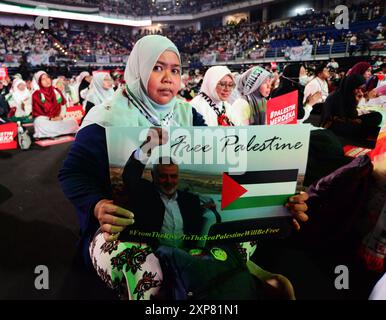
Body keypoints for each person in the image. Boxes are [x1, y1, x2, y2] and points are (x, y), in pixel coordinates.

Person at [59, 35, 309, 299]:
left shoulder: (186, 113)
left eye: (175, 70)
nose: (168, 77)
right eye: (158, 67)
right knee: (148, 274)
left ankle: (210, 278)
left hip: (186, 219)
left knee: (242, 233)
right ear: (139, 69)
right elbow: (72, 174)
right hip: (123, 225)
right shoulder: (108, 116)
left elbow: (220, 167)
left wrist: (279, 203)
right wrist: (98, 205)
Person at [320, 74, 382, 140]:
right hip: (334, 124)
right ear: (351, 86)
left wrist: (357, 102)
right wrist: (357, 103)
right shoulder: (337, 96)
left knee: (377, 116)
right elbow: (338, 117)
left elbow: (352, 114)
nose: (360, 91)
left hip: (348, 120)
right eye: (358, 88)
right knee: (359, 129)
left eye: (361, 88)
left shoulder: (349, 93)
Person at [32, 71, 79, 138]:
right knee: (39, 122)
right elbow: (38, 112)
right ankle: (56, 131)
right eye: (43, 79)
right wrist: (50, 118)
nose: (47, 80)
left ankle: (53, 131)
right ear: (39, 82)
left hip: (58, 118)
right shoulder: (36, 94)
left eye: (47, 78)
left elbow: (63, 106)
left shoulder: (56, 91)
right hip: (46, 120)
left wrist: (61, 116)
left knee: (73, 121)